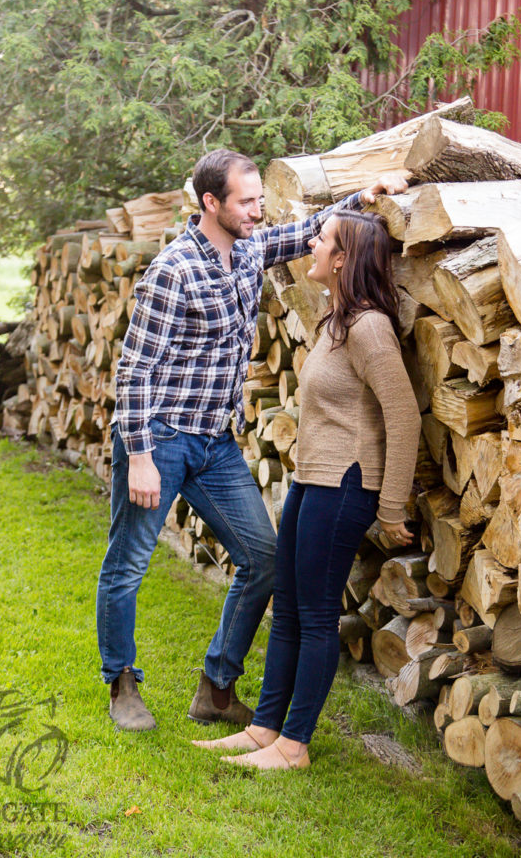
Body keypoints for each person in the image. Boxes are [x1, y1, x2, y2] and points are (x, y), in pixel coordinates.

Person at [96, 148, 408, 732]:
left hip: (215, 443)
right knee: (128, 564)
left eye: (260, 199)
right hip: (159, 438)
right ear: (211, 203)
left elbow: (316, 233)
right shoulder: (173, 270)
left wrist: (366, 194)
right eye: (247, 201)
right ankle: (122, 683)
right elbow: (134, 370)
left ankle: (216, 687)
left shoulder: (247, 251)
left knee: (263, 559)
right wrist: (139, 456)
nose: (258, 211)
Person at [192, 209, 421, 768]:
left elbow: (404, 415)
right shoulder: (337, 318)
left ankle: (294, 745)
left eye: (323, 239)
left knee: (316, 614)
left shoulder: (368, 327)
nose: (312, 244)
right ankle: (264, 729)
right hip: (311, 478)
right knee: (289, 608)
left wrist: (390, 505)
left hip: (344, 484)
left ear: (343, 259)